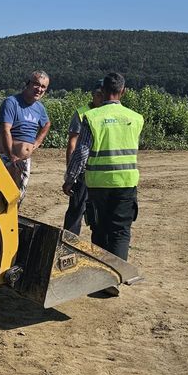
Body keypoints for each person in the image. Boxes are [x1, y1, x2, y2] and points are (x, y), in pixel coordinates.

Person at [62, 72, 143, 296]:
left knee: (99, 227)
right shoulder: (136, 118)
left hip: (98, 183)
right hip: (126, 182)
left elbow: (82, 152)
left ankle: (100, 276)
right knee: (120, 229)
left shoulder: (93, 117)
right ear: (123, 91)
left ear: (103, 91)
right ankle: (114, 278)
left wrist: (71, 178)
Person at [0, 70, 51, 201]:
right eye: (36, 84)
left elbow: (47, 124)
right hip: (7, 157)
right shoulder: (12, 102)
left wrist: (36, 143)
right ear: (28, 84)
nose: (40, 89)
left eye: (43, 87)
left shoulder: (39, 108)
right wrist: (11, 156)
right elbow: (5, 130)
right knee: (1, 197)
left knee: (17, 197)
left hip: (23, 161)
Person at [63, 86, 103, 235]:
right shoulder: (81, 113)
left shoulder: (105, 113)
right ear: (93, 95)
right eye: (98, 94)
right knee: (76, 210)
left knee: (98, 212)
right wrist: (70, 173)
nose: (101, 98)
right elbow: (73, 145)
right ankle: (69, 243)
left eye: (103, 95)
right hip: (83, 171)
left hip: (100, 171)